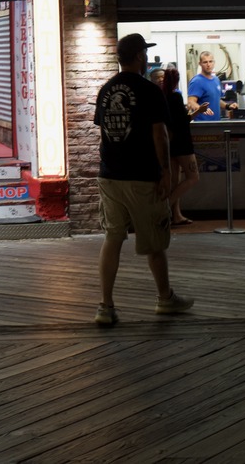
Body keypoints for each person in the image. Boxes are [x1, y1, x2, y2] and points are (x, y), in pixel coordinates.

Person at [94, 33, 193, 327]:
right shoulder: (149, 90)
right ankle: (165, 299)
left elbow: (104, 132)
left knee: (112, 238)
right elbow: (159, 134)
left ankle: (106, 306)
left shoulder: (106, 90)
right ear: (138, 56)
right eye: (145, 53)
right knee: (154, 240)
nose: (147, 58)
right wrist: (164, 172)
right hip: (141, 176)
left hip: (109, 175)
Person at [154, 66, 198, 227]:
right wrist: (199, 112)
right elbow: (182, 121)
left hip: (170, 145)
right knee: (193, 177)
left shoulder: (162, 97)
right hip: (182, 144)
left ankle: (176, 215)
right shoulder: (175, 97)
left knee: (174, 181)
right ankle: (164, 209)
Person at [186, 51, 222, 120]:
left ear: (214, 63)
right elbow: (191, 102)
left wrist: (227, 106)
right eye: (205, 62)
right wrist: (201, 109)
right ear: (200, 64)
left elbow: (216, 99)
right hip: (203, 125)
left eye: (210, 61)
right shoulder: (197, 81)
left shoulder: (216, 80)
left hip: (216, 124)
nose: (208, 65)